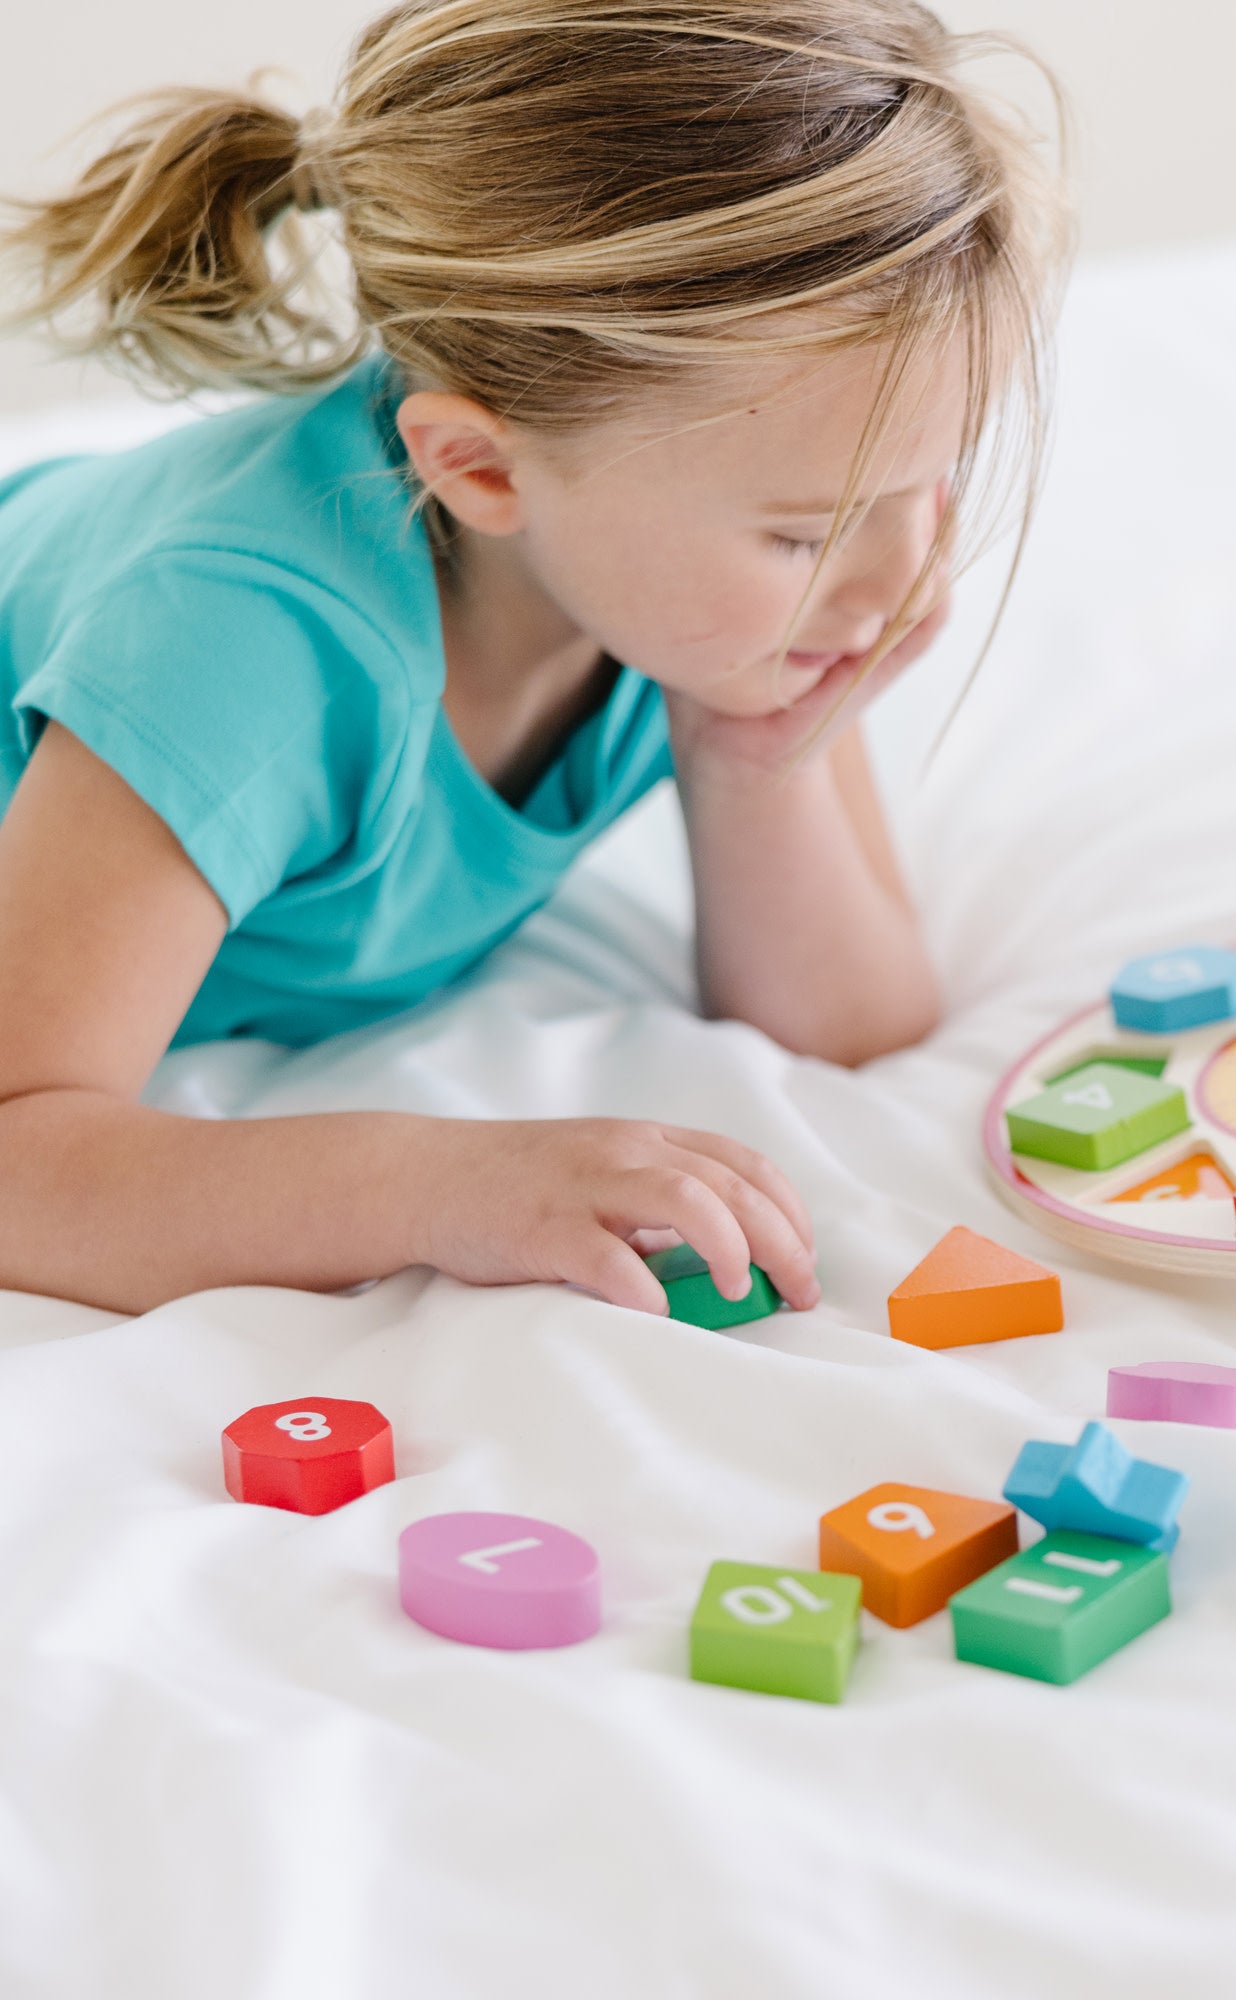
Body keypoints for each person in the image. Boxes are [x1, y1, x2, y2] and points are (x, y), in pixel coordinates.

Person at [0, 0, 1066, 1318]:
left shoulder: (683, 592)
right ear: (483, 469)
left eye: (932, 483)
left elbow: (854, 1035)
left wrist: (755, 770)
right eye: (812, 532)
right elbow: (18, 1151)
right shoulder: (239, 648)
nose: (903, 576)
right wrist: (441, 1183)